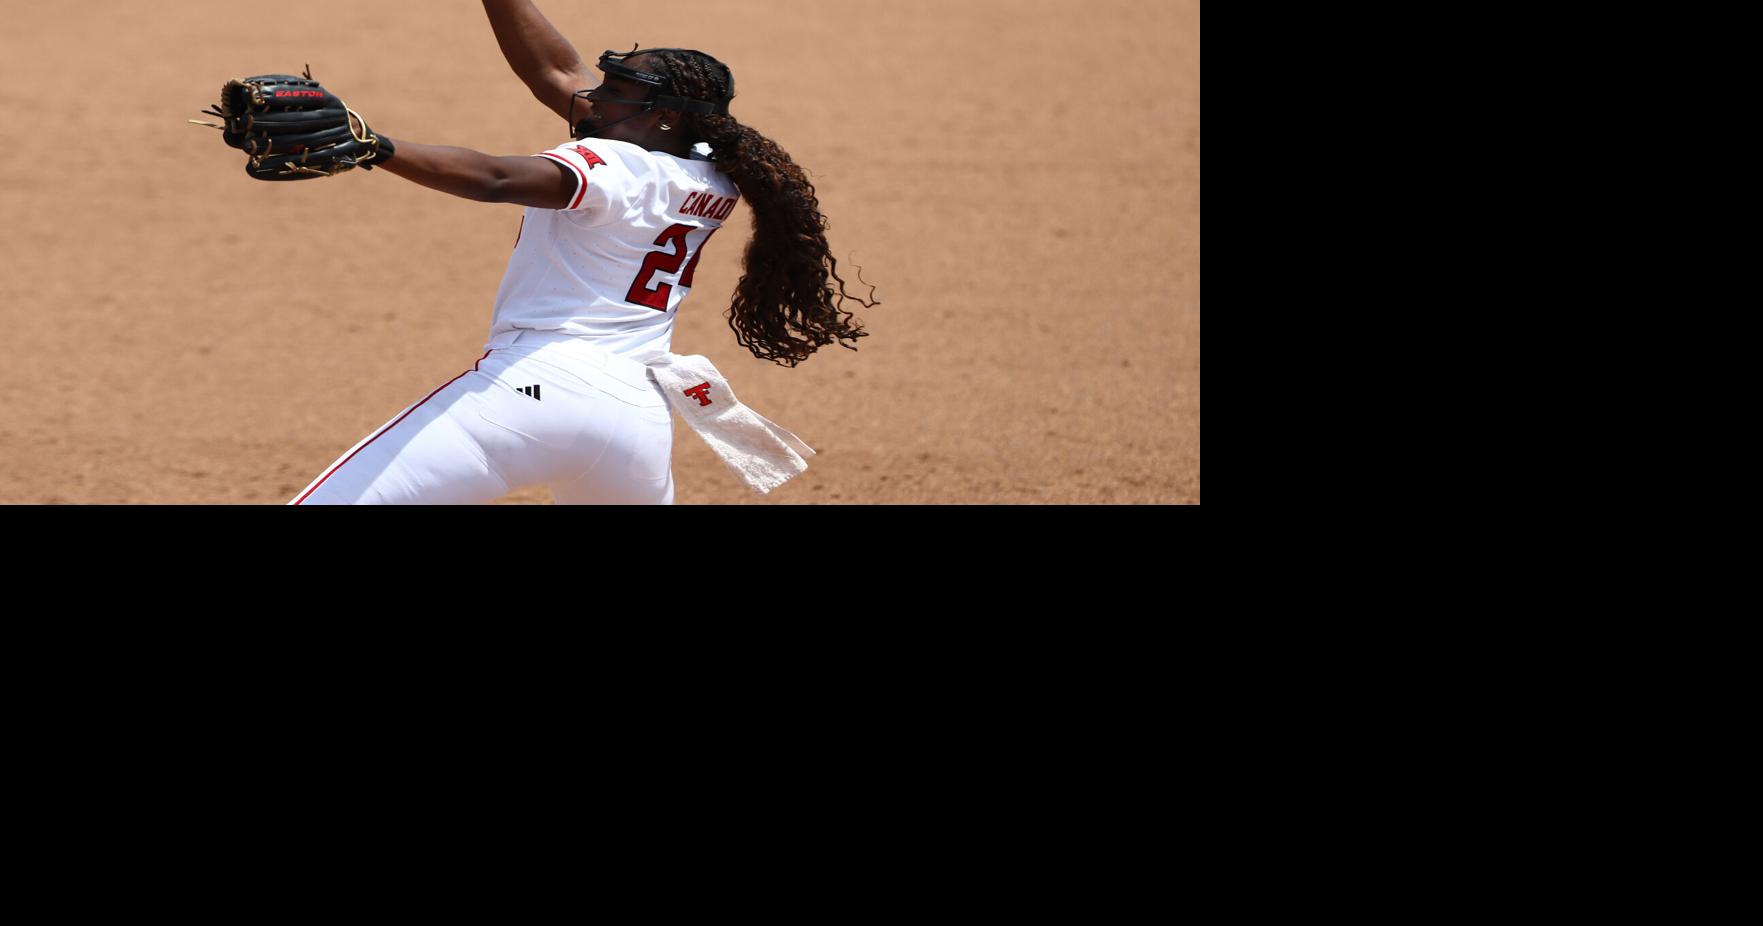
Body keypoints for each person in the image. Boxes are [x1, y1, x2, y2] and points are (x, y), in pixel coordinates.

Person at [289, 0, 871, 505]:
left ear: (663, 115)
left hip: (531, 392)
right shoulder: (712, 168)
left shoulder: (618, 166)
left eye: (616, 93)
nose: (593, 98)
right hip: (635, 420)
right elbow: (554, 70)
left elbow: (494, 178)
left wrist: (373, 147)